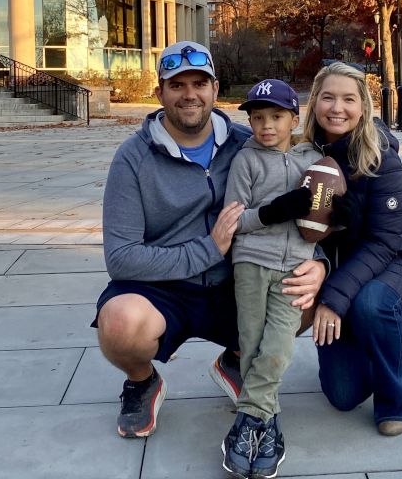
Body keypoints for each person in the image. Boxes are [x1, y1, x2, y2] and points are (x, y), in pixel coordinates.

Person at [92, 41, 326, 440]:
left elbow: (297, 206)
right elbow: (122, 259)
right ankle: (142, 381)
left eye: (199, 83)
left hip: (236, 282)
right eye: (177, 85)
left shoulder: (249, 143)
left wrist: (319, 260)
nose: (189, 94)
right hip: (163, 288)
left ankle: (236, 360)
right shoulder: (133, 157)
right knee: (119, 322)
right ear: (160, 92)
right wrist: (208, 249)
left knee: (305, 294)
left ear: (215, 89)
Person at [303, 62, 402, 436]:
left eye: (348, 99)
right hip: (344, 270)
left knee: (371, 305)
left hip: (399, 263)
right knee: (343, 396)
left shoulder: (380, 157)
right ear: (314, 102)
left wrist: (333, 299)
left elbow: (382, 242)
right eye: (328, 97)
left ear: (363, 106)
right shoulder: (304, 155)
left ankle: (397, 399)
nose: (337, 108)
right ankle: (370, 343)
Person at [221, 79, 320, 479]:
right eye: (257, 118)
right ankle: (267, 423)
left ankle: (247, 422)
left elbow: (326, 212)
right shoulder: (245, 161)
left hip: (295, 267)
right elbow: (233, 222)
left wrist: (335, 214)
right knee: (252, 343)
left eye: (276, 116)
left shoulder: (312, 160)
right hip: (250, 264)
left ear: (294, 119)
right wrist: (274, 210)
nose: (266, 126)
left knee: (277, 348)